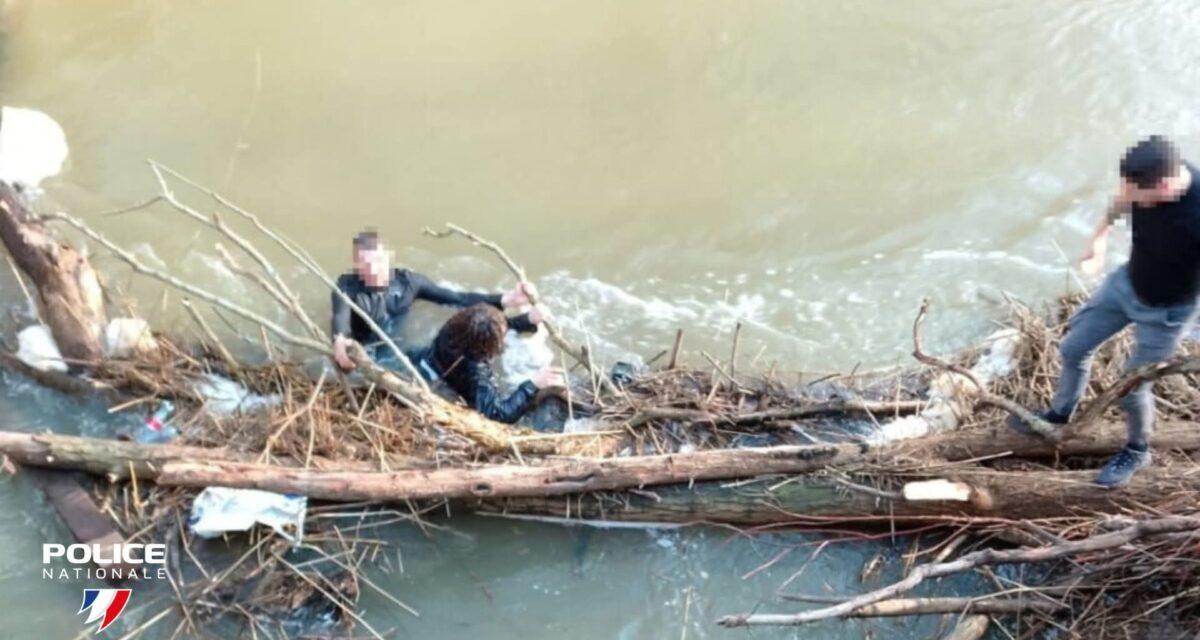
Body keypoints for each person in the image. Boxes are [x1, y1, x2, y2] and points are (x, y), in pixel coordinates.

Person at [1009, 136, 1200, 488]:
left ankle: (1137, 449)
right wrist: (1098, 239)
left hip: (1167, 314)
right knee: (1073, 349)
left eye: (1134, 193)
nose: (1126, 195)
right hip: (1125, 286)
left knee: (1132, 388)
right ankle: (1060, 414)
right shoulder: (1152, 177)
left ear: (1162, 185)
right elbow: (1118, 203)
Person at [330, 230, 546, 370]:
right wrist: (340, 342)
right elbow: (340, 318)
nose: (373, 269)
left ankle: (524, 323)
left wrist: (507, 299)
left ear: (389, 257)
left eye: (378, 261)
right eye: (365, 264)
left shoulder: (409, 282)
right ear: (357, 264)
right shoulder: (347, 287)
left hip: (395, 348)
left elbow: (456, 298)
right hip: (364, 348)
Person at [409, 303, 565, 423]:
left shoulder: (453, 329)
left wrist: (526, 320)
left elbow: (489, 326)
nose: (505, 331)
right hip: (445, 388)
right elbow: (497, 415)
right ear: (487, 347)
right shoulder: (477, 372)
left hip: (426, 361)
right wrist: (532, 384)